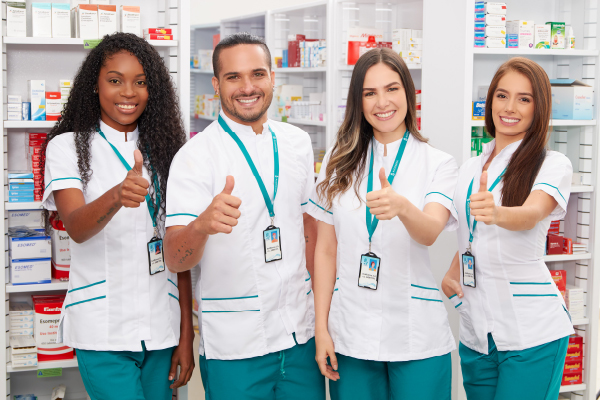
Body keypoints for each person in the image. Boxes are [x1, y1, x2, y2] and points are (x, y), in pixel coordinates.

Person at [163, 33, 324, 400]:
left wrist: (321, 316)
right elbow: (174, 257)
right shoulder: (194, 156)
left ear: (272, 78)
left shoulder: (297, 143)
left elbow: (309, 230)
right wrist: (202, 225)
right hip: (235, 346)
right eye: (234, 77)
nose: (247, 87)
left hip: (300, 335)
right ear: (216, 84)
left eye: (258, 74)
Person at [41, 33, 194, 400]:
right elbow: (76, 227)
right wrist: (116, 195)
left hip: (161, 326)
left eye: (140, 83)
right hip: (102, 329)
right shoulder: (67, 147)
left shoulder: (168, 150)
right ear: (94, 85)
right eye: (115, 80)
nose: (128, 92)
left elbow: (181, 250)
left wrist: (186, 335)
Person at [310, 48, 458, 400]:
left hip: (416, 333)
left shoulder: (438, 163)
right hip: (351, 330)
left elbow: (430, 233)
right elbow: (325, 250)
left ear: (408, 93)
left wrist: (403, 208)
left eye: (392, 89)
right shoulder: (338, 160)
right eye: (369, 93)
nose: (382, 102)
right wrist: (321, 329)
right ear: (358, 102)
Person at [442, 57, 574, 400]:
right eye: (502, 96)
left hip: (532, 333)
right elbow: (471, 233)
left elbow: (531, 214)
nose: (510, 107)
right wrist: (453, 270)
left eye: (524, 99)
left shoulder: (552, 164)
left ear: (538, 107)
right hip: (477, 334)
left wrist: (497, 213)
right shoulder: (471, 167)